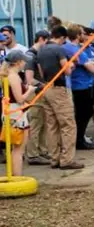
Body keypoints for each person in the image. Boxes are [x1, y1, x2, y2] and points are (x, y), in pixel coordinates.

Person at [35, 26, 83, 169]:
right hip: (59, 89)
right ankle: (67, 159)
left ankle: (54, 158)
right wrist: (72, 65)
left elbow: (41, 72)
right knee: (68, 124)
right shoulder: (59, 49)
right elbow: (67, 71)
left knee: (52, 125)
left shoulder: (41, 49)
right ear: (62, 37)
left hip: (47, 87)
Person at [65, 25, 94, 150]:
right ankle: (79, 139)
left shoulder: (68, 47)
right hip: (80, 85)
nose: (84, 35)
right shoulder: (75, 49)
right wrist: (91, 64)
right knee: (84, 112)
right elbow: (91, 67)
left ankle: (79, 138)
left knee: (83, 112)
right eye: (82, 33)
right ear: (77, 35)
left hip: (80, 84)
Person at [1, 51, 36, 176]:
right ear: (17, 62)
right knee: (19, 148)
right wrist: (30, 90)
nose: (25, 63)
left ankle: (15, 174)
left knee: (17, 147)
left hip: (12, 111)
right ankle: (17, 175)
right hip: (16, 113)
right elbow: (19, 99)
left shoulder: (9, 75)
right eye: (23, 61)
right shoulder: (13, 77)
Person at [24, 30, 53, 165]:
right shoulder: (30, 56)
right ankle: (33, 154)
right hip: (35, 94)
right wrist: (45, 85)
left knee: (42, 122)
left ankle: (42, 150)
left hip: (40, 92)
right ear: (41, 39)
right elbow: (29, 79)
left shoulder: (36, 55)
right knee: (35, 124)